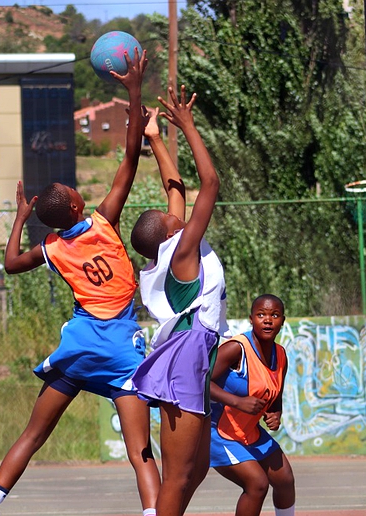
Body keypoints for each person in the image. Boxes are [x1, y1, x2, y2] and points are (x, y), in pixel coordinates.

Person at [0, 46, 161, 516]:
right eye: (76, 193)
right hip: (120, 350)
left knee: (33, 436)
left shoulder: (54, 248)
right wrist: (134, 89)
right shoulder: (104, 221)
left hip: (78, 348)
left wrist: (20, 217)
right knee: (141, 452)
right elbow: (130, 162)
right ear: (77, 207)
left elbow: (12, 263)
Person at [130, 84, 228, 516]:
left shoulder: (170, 248)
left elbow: (177, 187)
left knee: (199, 468)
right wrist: (186, 126)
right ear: (172, 232)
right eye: (174, 216)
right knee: (178, 475)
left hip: (191, 353)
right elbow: (209, 182)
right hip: (185, 357)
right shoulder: (183, 252)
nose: (177, 208)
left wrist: (154, 137)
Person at [209, 294, 295, 516]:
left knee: (284, 479)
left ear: (282, 321)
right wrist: (237, 401)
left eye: (274, 315)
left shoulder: (281, 355)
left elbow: (275, 397)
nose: (268, 320)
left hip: (248, 432)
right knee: (257, 484)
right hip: (218, 432)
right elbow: (198, 382)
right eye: (261, 315)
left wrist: (276, 413)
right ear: (251, 319)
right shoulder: (237, 349)